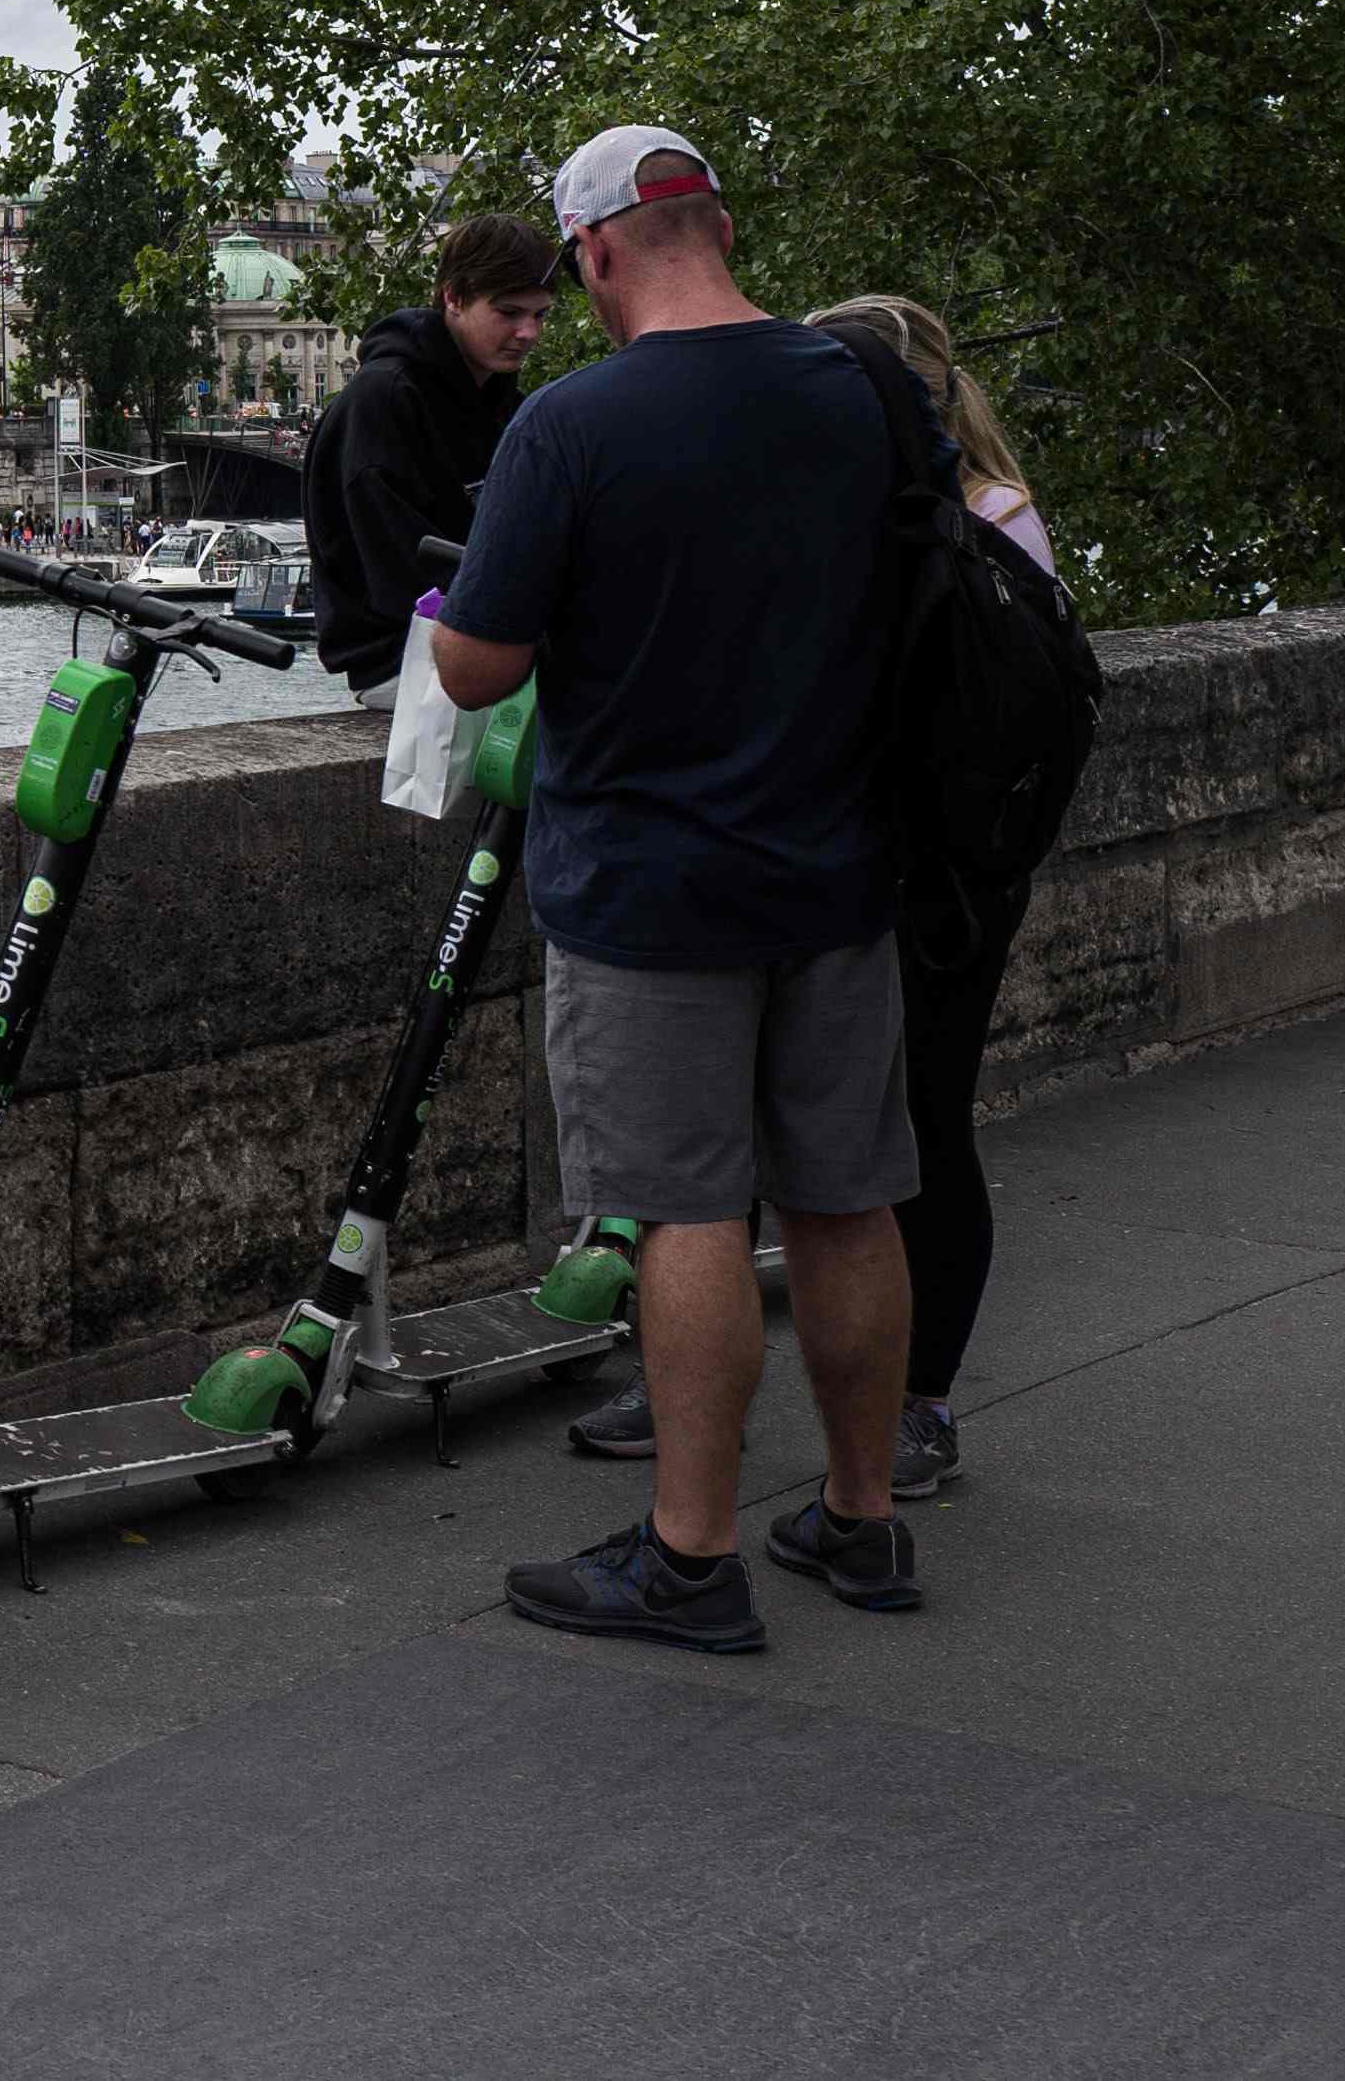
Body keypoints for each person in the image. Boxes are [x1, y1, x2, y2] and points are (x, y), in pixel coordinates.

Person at [432, 127, 927, 1647]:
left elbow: (480, 663)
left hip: (652, 884)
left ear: (590, 254)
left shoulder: (571, 425)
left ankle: (690, 1552)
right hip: (839, 861)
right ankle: (861, 1517)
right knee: (848, 1197)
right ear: (716, 223)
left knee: (687, 1210)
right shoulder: (868, 390)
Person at [808, 291, 1054, 1501]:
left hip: (918, 870)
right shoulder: (1003, 518)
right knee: (909, 1126)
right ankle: (907, 1402)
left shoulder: (944, 529)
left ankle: (918, 1400)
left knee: (913, 1131)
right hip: (971, 868)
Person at [303, 211, 559, 706]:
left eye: (540, 315)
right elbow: (402, 569)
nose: (529, 333)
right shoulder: (383, 402)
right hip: (408, 662)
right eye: (509, 313)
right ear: (453, 298)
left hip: (474, 648)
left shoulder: (501, 399)